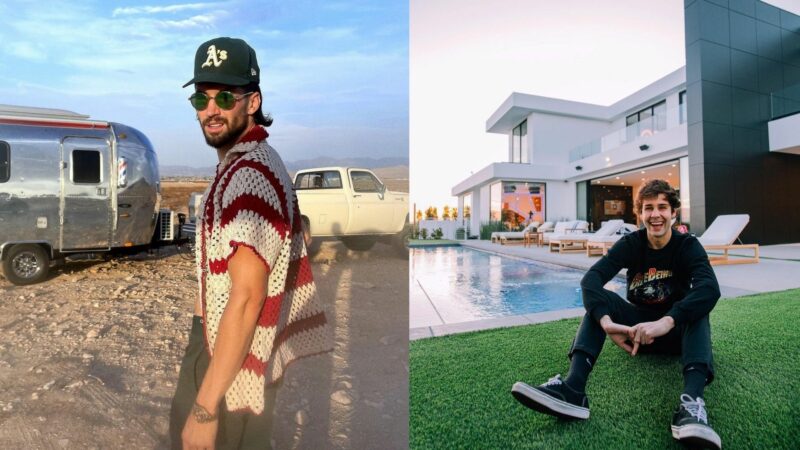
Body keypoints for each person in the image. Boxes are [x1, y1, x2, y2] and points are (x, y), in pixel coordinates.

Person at [169, 37, 331, 450]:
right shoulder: (251, 160)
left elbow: (246, 298)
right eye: (200, 100)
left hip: (229, 357)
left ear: (252, 101)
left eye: (225, 96)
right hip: (226, 346)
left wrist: (205, 408)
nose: (211, 110)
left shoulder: (248, 177)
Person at [511, 179, 722, 450]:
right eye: (648, 208)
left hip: (676, 335)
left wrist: (666, 321)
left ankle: (691, 405)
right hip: (635, 336)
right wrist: (607, 323)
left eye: (662, 207)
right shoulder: (631, 243)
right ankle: (573, 389)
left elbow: (709, 288)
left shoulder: (687, 246)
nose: (655, 214)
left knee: (697, 308)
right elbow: (591, 280)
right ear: (640, 214)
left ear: (673, 213)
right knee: (599, 303)